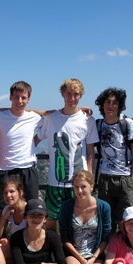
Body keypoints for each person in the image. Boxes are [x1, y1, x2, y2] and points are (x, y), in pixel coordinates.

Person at [35, 78, 98, 231]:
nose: (72, 98)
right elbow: (34, 141)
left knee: (76, 221)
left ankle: (70, 252)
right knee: (50, 220)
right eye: (68, 94)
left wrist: (89, 177)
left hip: (78, 184)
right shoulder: (50, 119)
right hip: (54, 182)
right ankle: (53, 252)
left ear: (81, 96)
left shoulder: (87, 120)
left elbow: (90, 152)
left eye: (76, 94)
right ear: (62, 94)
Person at [0, 81, 41, 225]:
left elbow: (53, 118)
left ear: (28, 99)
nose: (20, 101)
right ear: (10, 97)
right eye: (16, 97)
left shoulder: (34, 117)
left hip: (28, 170)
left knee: (31, 210)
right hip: (6, 170)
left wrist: (80, 110)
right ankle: (0, 244)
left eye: (23, 97)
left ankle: (27, 244)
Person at [94, 88, 133, 231]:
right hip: (105, 178)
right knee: (106, 219)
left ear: (120, 105)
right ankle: (109, 251)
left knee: (128, 219)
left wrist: (132, 179)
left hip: (125, 178)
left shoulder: (127, 123)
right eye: (108, 102)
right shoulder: (98, 124)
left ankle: (126, 252)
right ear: (102, 105)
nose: (111, 106)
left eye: (115, 102)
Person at [59, 170, 111, 264]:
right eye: (76, 187)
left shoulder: (103, 207)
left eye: (83, 187)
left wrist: (92, 259)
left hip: (95, 253)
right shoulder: (67, 206)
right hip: (74, 253)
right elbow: (64, 236)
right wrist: (81, 259)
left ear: (92, 186)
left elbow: (105, 236)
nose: (79, 191)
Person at [0, 177, 28, 264]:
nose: (8, 195)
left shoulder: (29, 210)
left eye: (12, 191)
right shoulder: (7, 209)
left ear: (20, 192)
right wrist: (4, 217)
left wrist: (10, 240)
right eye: (5, 193)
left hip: (29, 248)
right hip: (17, 247)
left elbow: (32, 236)